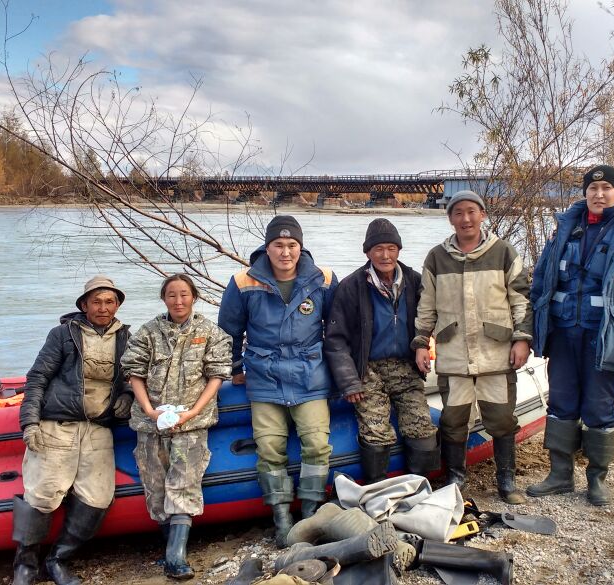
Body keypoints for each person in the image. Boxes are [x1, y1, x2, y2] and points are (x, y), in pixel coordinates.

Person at [525, 165, 614, 506]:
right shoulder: (563, 229)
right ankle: (560, 475)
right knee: (560, 403)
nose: (598, 194)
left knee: (600, 407)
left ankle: (597, 479)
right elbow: (541, 282)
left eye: (606, 188)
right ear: (584, 192)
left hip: (605, 336)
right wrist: (531, 330)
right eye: (593, 188)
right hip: (563, 332)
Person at [218, 215, 338, 547]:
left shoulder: (323, 279)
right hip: (264, 376)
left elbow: (338, 327)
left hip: (309, 374)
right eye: (278, 245)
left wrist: (341, 372)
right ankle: (282, 516)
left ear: (301, 247)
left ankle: (311, 513)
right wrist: (235, 366)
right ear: (267, 247)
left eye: (292, 245)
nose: (285, 252)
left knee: (316, 444)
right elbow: (229, 330)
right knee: (270, 449)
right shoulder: (243, 282)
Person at [411, 191, 533, 504]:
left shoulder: (503, 252)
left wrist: (521, 339)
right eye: (458, 213)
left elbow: (520, 299)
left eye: (471, 212)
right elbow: (426, 306)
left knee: (502, 418)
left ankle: (506, 480)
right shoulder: (436, 257)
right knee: (453, 420)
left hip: (496, 352)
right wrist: (422, 343)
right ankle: (456, 477)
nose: (465, 219)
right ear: (450, 218)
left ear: (482, 215)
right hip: (454, 355)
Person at [11, 275, 134, 585]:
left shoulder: (127, 339)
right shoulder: (62, 335)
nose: (103, 307)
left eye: (109, 301)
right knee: (43, 493)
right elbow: (37, 377)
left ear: (117, 305)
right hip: (58, 425)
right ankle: (24, 565)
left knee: (98, 497)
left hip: (98, 429)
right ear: (84, 305)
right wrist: (29, 422)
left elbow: (134, 378)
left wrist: (126, 397)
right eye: (96, 301)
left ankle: (57, 560)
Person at [119, 274, 232, 580]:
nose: (178, 301)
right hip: (150, 422)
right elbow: (133, 372)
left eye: (184, 294)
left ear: (193, 296)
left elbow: (217, 375)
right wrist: (148, 410)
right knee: (155, 486)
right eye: (172, 295)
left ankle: (175, 556)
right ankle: (169, 545)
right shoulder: (148, 332)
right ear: (164, 298)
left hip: (191, 423)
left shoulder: (210, 332)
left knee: (183, 484)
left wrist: (194, 411)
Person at [324, 218, 439, 482]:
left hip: (405, 367)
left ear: (399, 249)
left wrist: (424, 344)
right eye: (378, 249)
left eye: (391, 248)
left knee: (422, 427)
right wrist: (350, 381)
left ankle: (419, 485)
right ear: (367, 252)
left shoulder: (414, 281)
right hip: (368, 369)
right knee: (376, 430)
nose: (385, 255)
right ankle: (377, 486)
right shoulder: (352, 286)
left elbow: (430, 319)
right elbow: (335, 339)